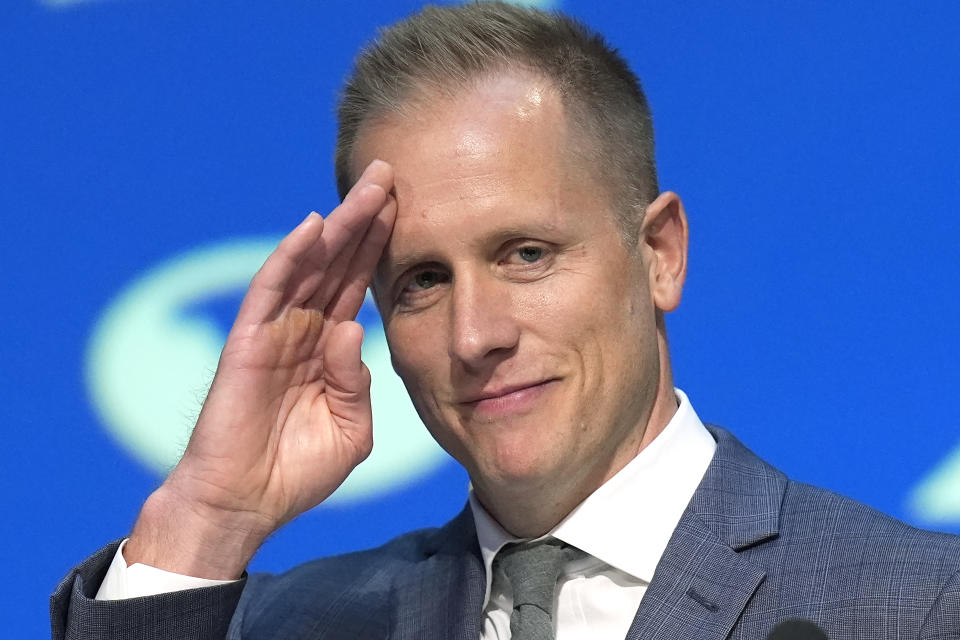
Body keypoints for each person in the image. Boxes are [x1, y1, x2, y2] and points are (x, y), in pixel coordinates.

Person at [51, 3, 960, 639]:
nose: (474, 334)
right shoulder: (285, 624)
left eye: (525, 253)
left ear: (660, 253)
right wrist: (205, 521)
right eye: (421, 281)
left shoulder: (911, 607)